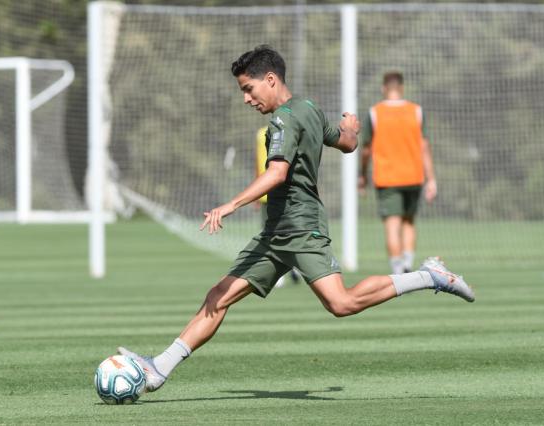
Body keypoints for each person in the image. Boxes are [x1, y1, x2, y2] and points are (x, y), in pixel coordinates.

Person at [118, 46, 474, 393]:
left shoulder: (283, 120)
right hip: (275, 233)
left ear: (270, 80)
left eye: (248, 89)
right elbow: (347, 144)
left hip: (301, 227)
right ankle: (158, 368)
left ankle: (429, 276)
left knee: (341, 303)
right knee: (218, 296)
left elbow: (276, 174)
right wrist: (349, 128)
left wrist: (230, 205)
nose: (246, 98)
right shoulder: (309, 107)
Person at [359, 71, 437, 274]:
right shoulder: (416, 111)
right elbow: (424, 146)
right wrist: (431, 179)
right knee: (409, 222)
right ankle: (408, 264)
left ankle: (397, 270)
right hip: (414, 176)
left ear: (384, 88)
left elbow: (366, 149)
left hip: (388, 178)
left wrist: (362, 174)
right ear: (401, 88)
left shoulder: (375, 113)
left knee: (392, 224)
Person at [254, 125, 300, 288]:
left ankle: (286, 268)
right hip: (268, 193)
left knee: (279, 233)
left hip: (278, 192)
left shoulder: (285, 132)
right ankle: (286, 268)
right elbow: (258, 163)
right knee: (273, 234)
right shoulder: (262, 133)